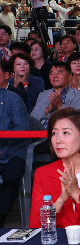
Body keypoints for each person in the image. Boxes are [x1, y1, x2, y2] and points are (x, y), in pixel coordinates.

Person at [0, 86, 29, 227]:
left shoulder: (13, 99)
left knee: (11, 177)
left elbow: (22, 129)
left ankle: (1, 217)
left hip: (13, 151)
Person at [31, 61, 80, 128]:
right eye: (51, 73)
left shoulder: (79, 96)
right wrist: (47, 110)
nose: (54, 76)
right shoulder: (43, 95)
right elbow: (32, 120)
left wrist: (60, 106)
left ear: (69, 77)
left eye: (59, 73)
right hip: (42, 134)